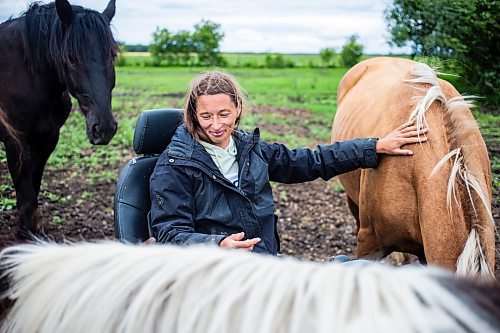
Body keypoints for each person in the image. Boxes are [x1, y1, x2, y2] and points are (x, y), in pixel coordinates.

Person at [148, 70, 428, 255]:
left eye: (224, 114)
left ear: (238, 110)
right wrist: (217, 244)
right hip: (213, 272)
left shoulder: (250, 150)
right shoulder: (175, 165)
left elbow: (312, 161)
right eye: (206, 116)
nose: (216, 125)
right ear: (193, 115)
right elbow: (169, 232)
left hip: (264, 264)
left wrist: (374, 146)